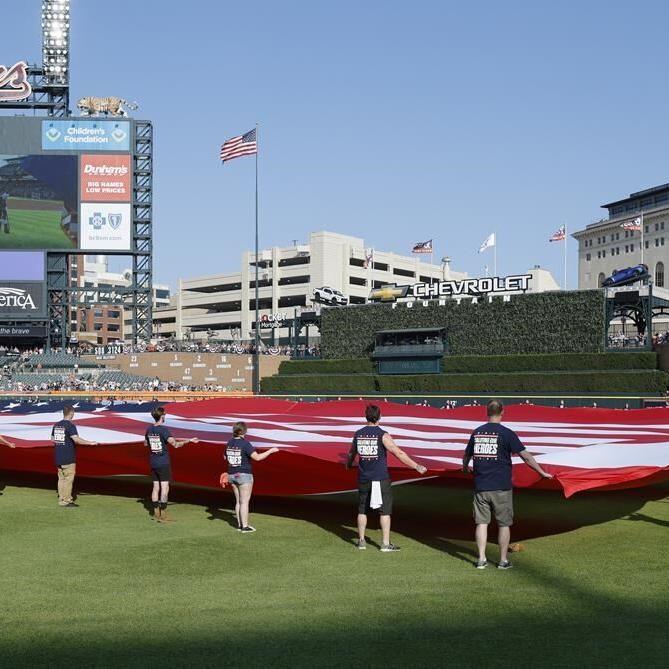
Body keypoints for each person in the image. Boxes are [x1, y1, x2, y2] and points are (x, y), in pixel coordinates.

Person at [462, 399, 553, 570]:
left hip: (481, 485)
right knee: (504, 524)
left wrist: (465, 467)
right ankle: (503, 561)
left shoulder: (477, 433)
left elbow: (467, 455)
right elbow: (525, 456)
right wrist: (541, 472)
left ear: (487, 412)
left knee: (481, 523)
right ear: (502, 412)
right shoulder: (507, 433)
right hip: (501, 487)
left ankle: (481, 559)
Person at [347, 404, 428, 552]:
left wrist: (348, 464)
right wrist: (416, 466)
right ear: (379, 417)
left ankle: (361, 541)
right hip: (379, 478)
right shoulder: (382, 434)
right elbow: (398, 453)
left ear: (366, 417)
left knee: (362, 510)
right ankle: (385, 544)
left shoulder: (358, 434)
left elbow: (352, 453)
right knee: (385, 511)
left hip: (364, 477)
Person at [145, 406, 199, 523]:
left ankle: (155, 512)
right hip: (163, 462)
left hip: (153, 461)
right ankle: (163, 514)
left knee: (155, 488)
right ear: (162, 416)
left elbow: (145, 443)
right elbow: (175, 444)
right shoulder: (164, 430)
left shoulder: (149, 429)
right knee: (165, 488)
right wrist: (189, 441)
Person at [225, 421, 278, 532]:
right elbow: (257, 457)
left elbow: (224, 457)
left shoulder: (229, 442)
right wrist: (271, 451)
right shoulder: (245, 444)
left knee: (238, 501)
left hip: (231, 474)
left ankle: (239, 525)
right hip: (244, 475)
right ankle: (245, 526)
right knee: (244, 501)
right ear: (244, 431)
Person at [51, 404, 98, 508]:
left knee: (61, 479)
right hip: (68, 456)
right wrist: (90, 443)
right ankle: (67, 500)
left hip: (59, 456)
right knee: (68, 479)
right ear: (71, 413)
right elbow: (76, 439)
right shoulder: (70, 425)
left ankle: (61, 499)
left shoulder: (56, 425)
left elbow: (53, 439)